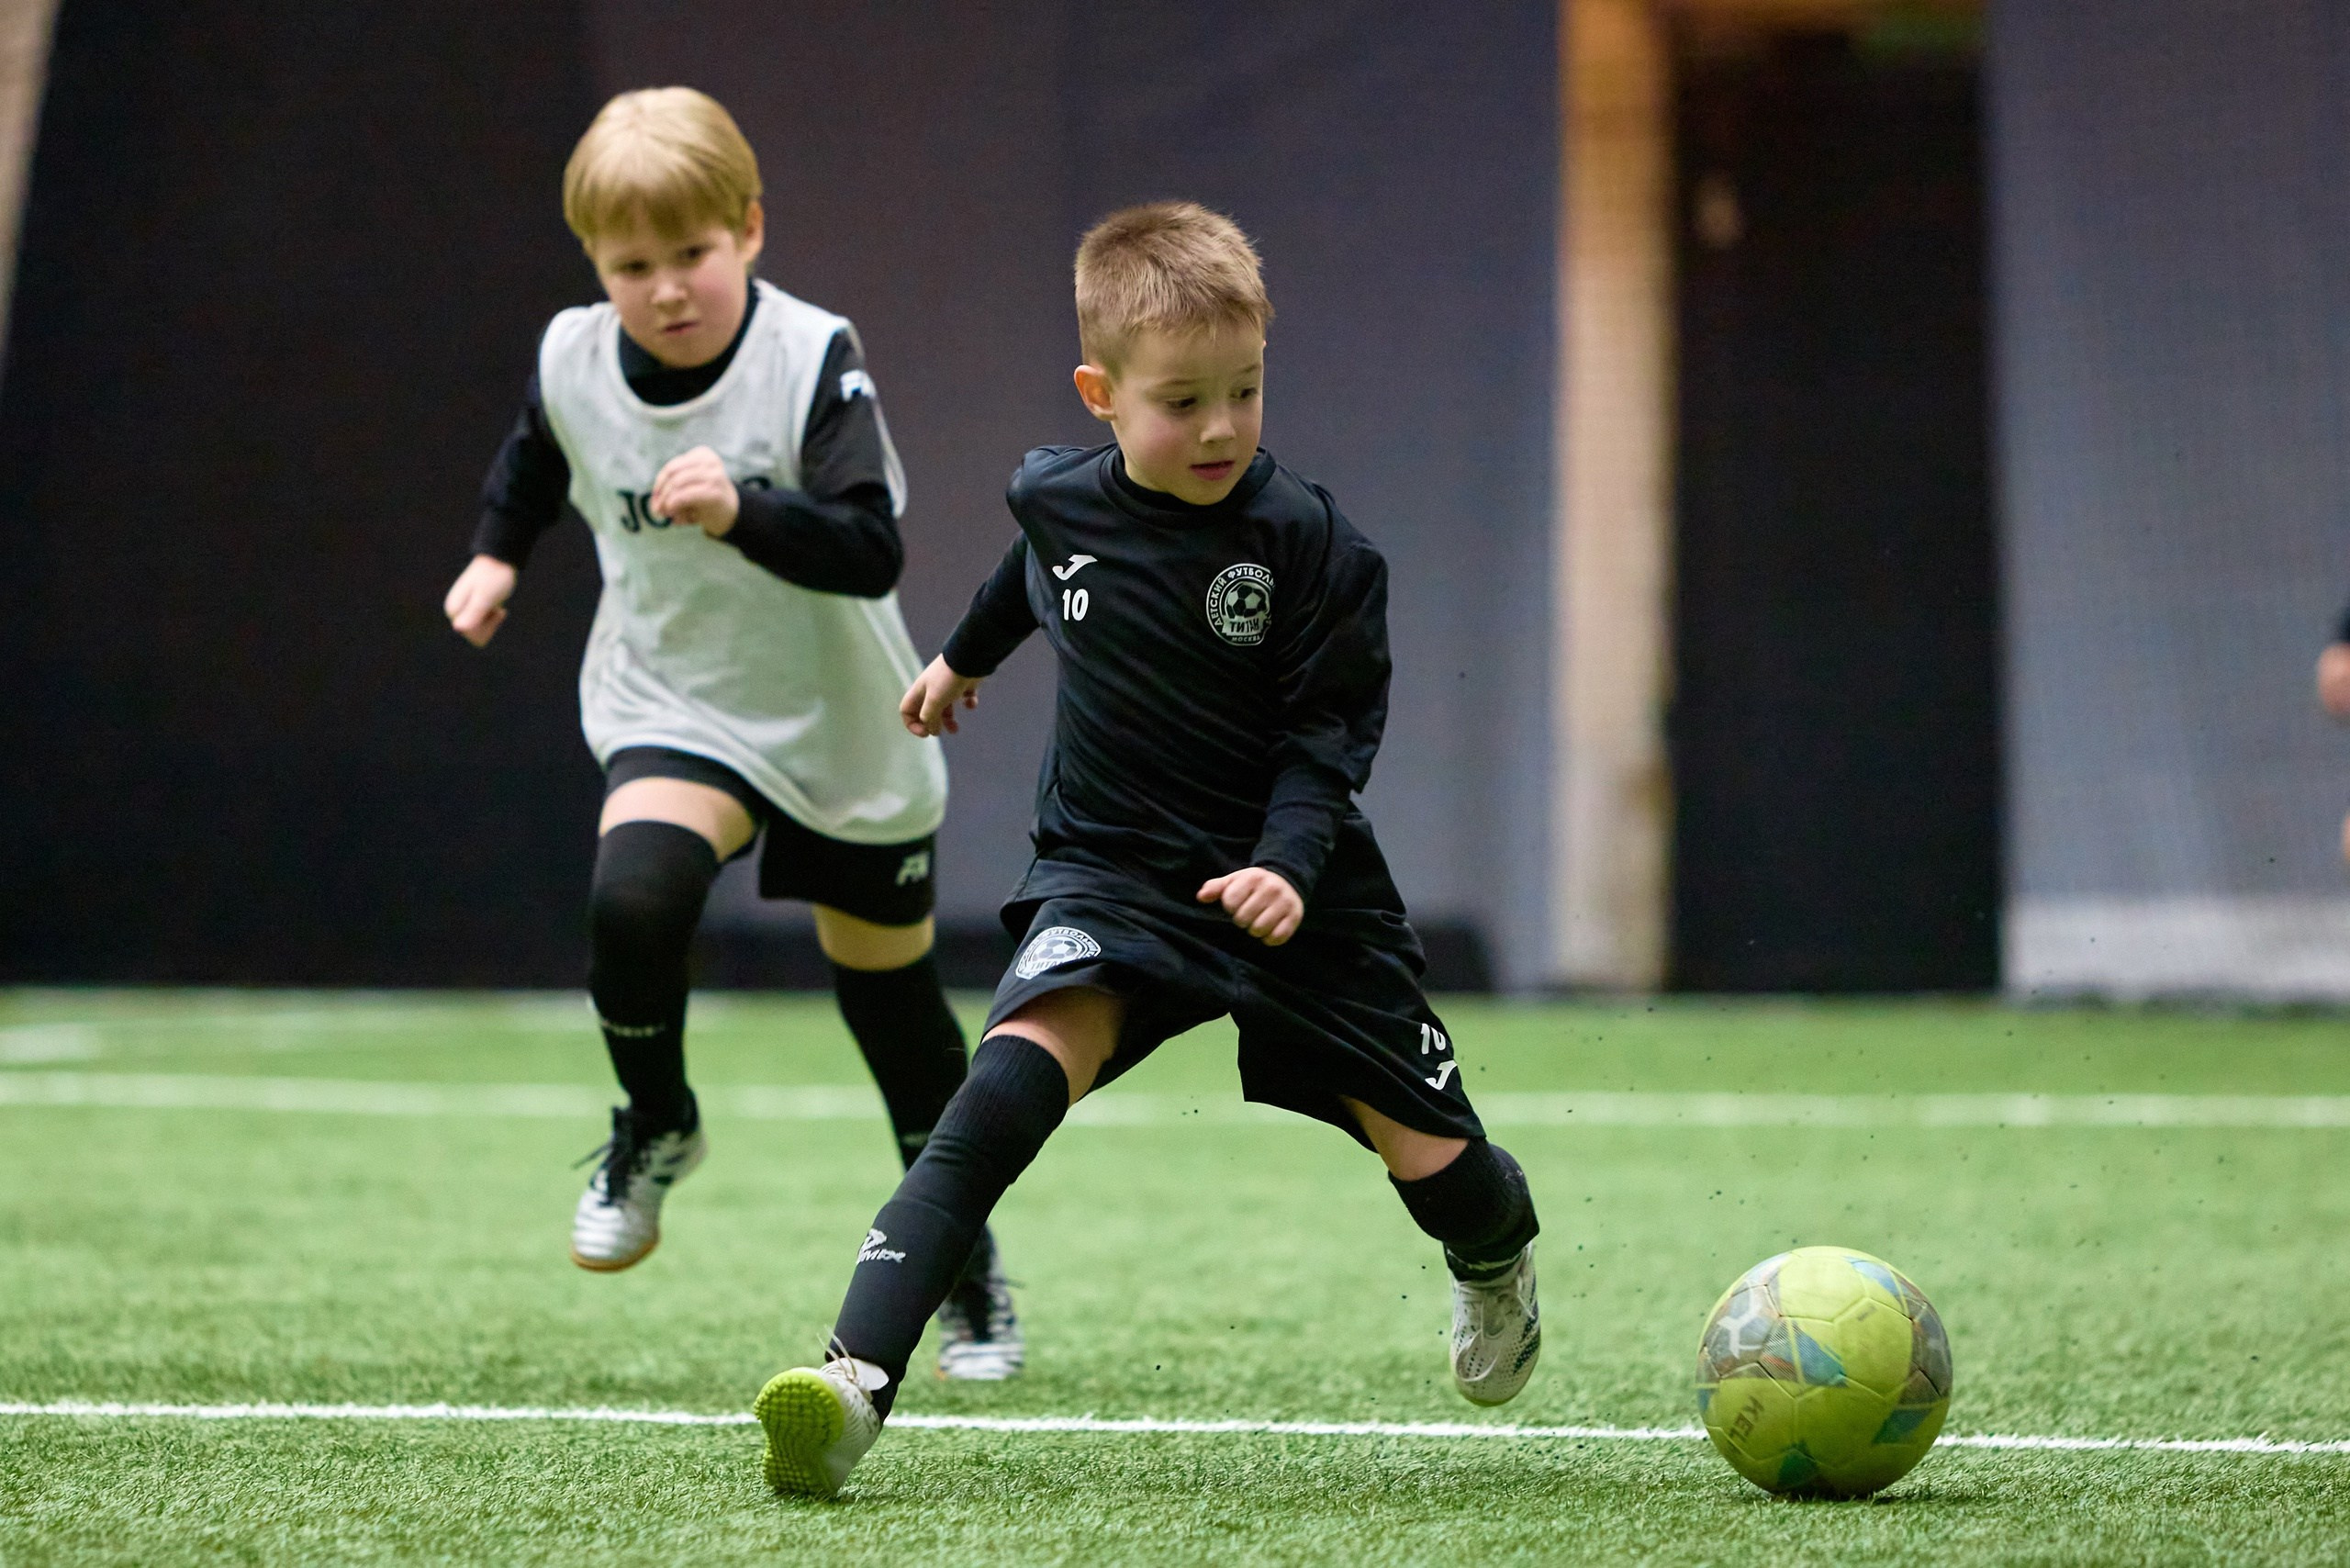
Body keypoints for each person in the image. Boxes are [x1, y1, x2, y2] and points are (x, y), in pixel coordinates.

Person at [751, 201, 1541, 1496]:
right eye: (1185, 401)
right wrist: (960, 658)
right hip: (1112, 878)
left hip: (1303, 900)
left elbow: (1325, 742)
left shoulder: (1315, 550)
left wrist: (1284, 867)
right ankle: (850, 1384)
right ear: (1101, 395)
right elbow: (1035, 565)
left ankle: (1496, 1261)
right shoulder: (1059, 492)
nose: (1224, 426)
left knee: (1439, 1167)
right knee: (995, 1094)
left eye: (1246, 389)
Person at [440, 86, 1018, 1380]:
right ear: (596, 266)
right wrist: (496, 559)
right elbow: (537, 456)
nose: (666, 289)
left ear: (749, 231)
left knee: (893, 1015)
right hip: (675, 697)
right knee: (634, 899)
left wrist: (741, 510)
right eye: (631, 265)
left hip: (841, 721)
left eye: (691, 253)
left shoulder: (813, 357)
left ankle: (966, 1271)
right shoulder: (571, 356)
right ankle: (655, 1123)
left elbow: (872, 549)